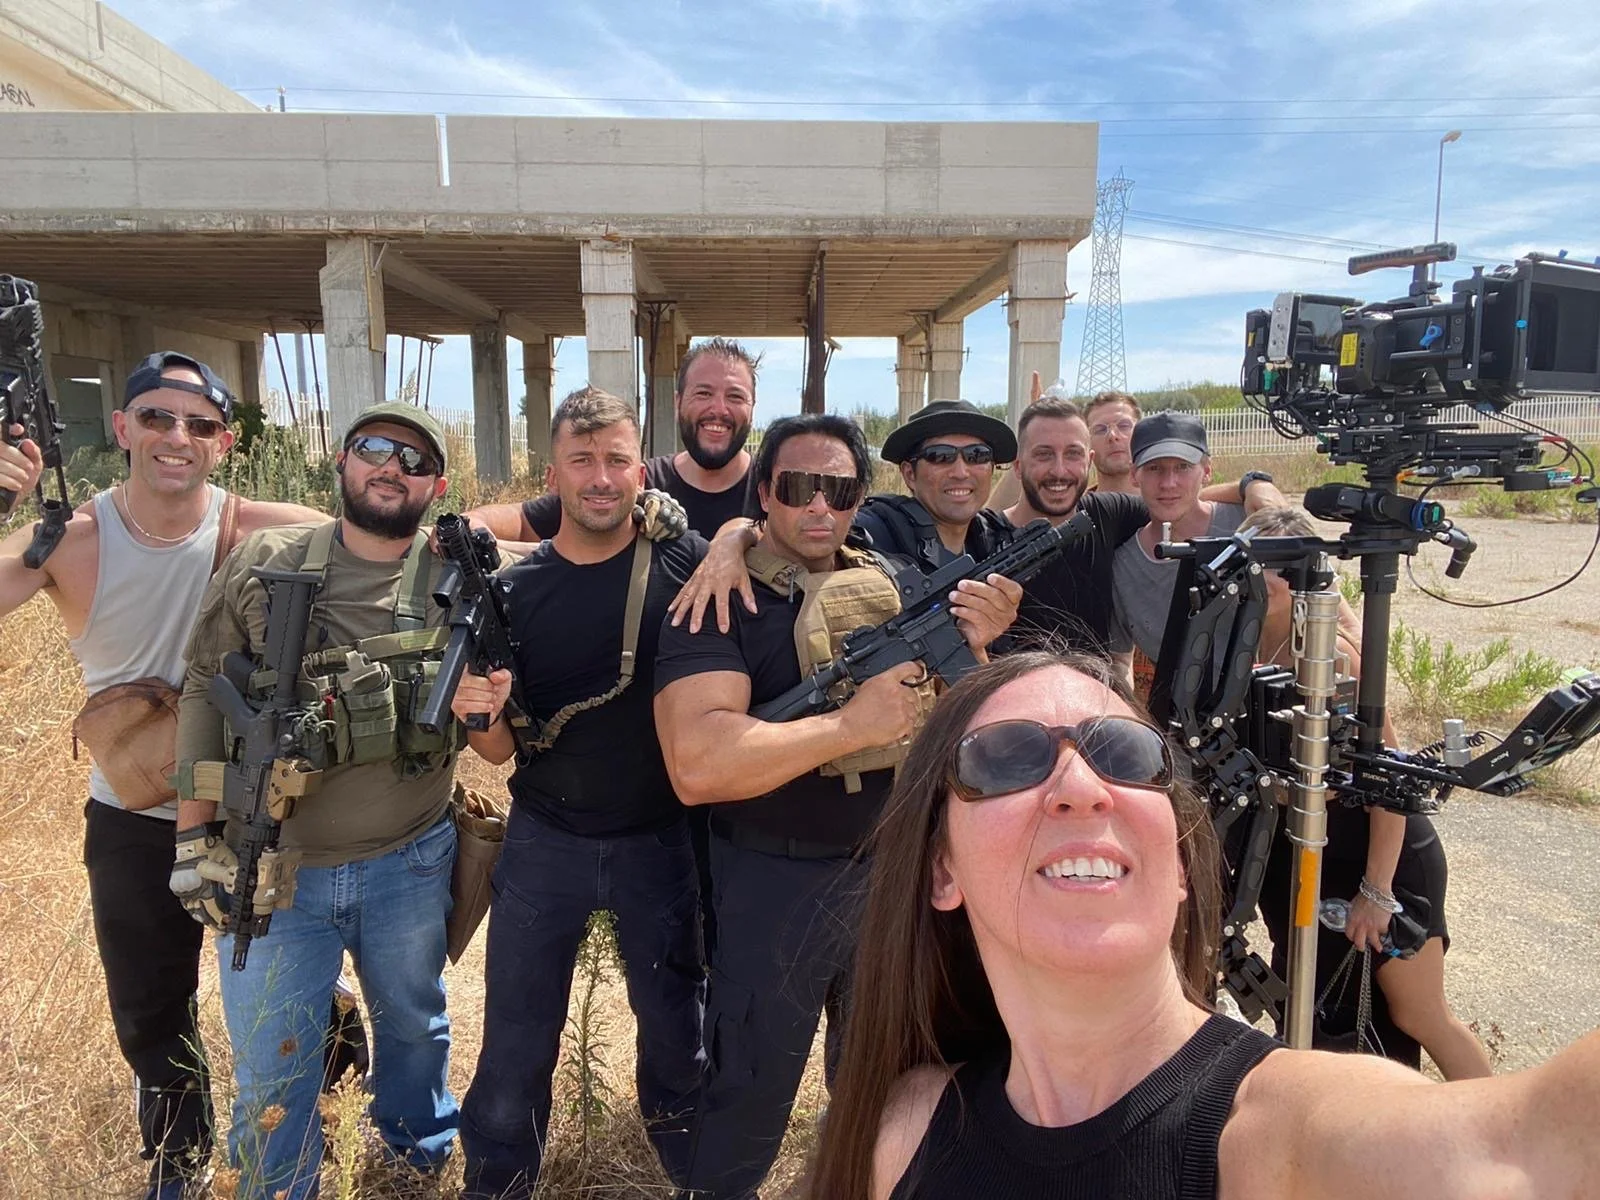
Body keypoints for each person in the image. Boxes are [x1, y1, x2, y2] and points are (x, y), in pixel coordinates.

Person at [810, 650, 1600, 1200]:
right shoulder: (905, 1130)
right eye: (1007, 758)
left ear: (1182, 864)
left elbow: (1538, 1154)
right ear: (940, 868)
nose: (1081, 785)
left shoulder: (1287, 1138)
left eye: (1124, 752)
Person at [0, 351, 342, 1199]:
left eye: (198, 424)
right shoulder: (67, 540)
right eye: (155, 417)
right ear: (121, 429)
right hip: (132, 815)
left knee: (292, 989)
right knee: (151, 1009)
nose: (175, 437)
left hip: (248, 809)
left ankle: (326, 1115)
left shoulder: (259, 523)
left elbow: (385, 535)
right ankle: (178, 1165)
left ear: (224, 443)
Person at [653, 413, 1022, 1200]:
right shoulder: (723, 599)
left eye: (841, 490)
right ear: (763, 496)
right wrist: (848, 727)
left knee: (886, 1084)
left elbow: (973, 721)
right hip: (771, 887)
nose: (820, 507)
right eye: (798, 488)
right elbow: (697, 765)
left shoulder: (894, 582)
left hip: (892, 878)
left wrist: (982, 647)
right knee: (748, 1092)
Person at [173, 402, 465, 1200]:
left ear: (435, 484)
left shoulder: (458, 574)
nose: (390, 467)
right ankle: (280, 1187)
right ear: (341, 461)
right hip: (272, 871)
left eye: (412, 460)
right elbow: (203, 685)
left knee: (413, 1027)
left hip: (408, 860)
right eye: (374, 448)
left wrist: (669, 514)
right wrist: (194, 838)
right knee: (272, 1060)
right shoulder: (268, 559)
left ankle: (414, 1160)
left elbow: (572, 527)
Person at [450, 387, 707, 1198]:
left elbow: (750, 552)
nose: (601, 479)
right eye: (582, 461)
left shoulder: (683, 562)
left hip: (660, 840)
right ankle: (497, 1180)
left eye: (616, 461)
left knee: (675, 1030)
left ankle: (692, 1172)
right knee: (517, 1040)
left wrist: (727, 543)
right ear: (553, 472)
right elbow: (498, 751)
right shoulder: (516, 595)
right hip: (545, 839)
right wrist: (474, 713)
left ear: (641, 469)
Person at [1240, 506, 1492, 1080]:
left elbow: (1392, 783)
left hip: (1383, 852)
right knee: (1313, 1007)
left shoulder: (1337, 657)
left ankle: (1503, 1134)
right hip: (1308, 850)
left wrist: (1376, 892)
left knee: (1419, 1012)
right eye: (1251, 565)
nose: (1257, 579)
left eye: (1273, 568)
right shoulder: (1244, 645)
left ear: (1302, 577)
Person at [463, 337, 759, 550]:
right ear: (678, 402)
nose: (719, 409)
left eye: (735, 396)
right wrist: (469, 525)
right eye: (703, 393)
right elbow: (522, 521)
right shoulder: (634, 484)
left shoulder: (778, 491)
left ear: (753, 406)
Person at [1108, 410, 1283, 694]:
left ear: (1207, 470)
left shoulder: (1250, 524)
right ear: (1134, 475)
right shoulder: (1124, 564)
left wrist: (1256, 483)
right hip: (1182, 721)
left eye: (1182, 467)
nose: (1168, 483)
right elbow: (1118, 659)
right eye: (1154, 468)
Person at [1082, 390, 1142, 495]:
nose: (1113, 436)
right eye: (1100, 430)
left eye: (1124, 426)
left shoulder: (1170, 507)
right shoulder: (1075, 509)